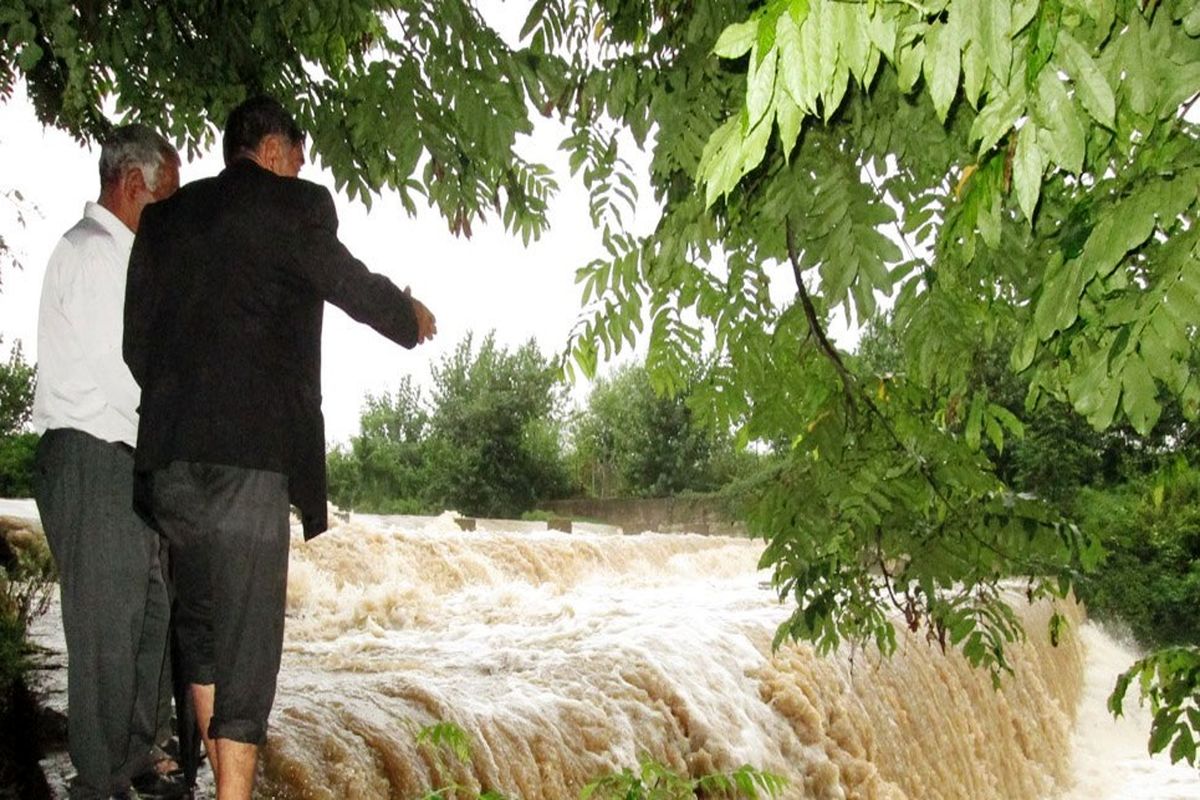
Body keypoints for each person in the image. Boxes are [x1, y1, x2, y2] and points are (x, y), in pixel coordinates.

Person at [123, 95, 436, 798]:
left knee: (200, 629)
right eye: (297, 153)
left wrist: (186, 408)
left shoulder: (164, 220)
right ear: (268, 150)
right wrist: (409, 318)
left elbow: (135, 344)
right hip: (248, 460)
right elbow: (350, 284)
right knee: (249, 648)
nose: (301, 167)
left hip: (168, 457)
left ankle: (213, 787)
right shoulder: (289, 207)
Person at [32, 124, 185, 799]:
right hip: (94, 457)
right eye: (165, 199)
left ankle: (134, 753)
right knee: (105, 627)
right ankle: (99, 779)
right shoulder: (96, 253)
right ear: (132, 185)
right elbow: (125, 376)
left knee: (150, 611)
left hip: (126, 458)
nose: (171, 217)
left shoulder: (123, 258)